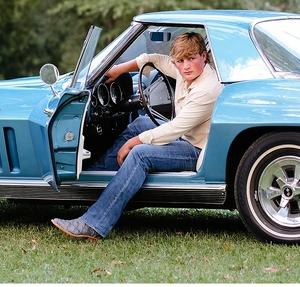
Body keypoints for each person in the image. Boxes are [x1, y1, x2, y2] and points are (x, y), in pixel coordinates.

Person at [51, 32, 223, 240]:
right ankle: (97, 181)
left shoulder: (207, 89)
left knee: (140, 153)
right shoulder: (186, 72)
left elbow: (175, 128)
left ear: (204, 56)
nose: (185, 66)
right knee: (140, 123)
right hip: (186, 136)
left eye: (191, 59)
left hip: (196, 150)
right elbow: (153, 59)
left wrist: (132, 143)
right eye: (180, 61)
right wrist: (119, 69)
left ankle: (94, 224)